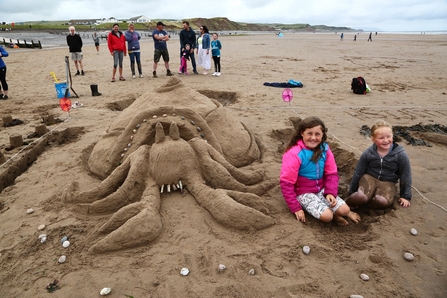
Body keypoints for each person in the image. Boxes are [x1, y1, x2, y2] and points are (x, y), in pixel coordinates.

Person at [280, 116, 360, 226]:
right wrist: (295, 208)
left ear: (323, 135)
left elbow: (332, 173)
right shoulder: (294, 154)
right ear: (302, 133)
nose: (313, 138)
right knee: (327, 216)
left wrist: (330, 192)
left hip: (321, 189)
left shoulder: (325, 149)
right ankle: (334, 216)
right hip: (303, 192)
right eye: (309, 133)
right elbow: (286, 183)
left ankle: (341, 213)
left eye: (317, 134)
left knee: (345, 210)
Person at [346, 120, 412, 209]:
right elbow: (358, 171)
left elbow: (406, 174)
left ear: (392, 136)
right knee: (361, 197)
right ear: (373, 139)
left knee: (381, 201)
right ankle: (347, 204)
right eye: (381, 138)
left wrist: (405, 196)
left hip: (388, 182)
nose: (385, 140)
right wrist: (352, 192)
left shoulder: (400, 154)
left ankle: (368, 205)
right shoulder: (368, 153)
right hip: (369, 178)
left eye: (388, 137)